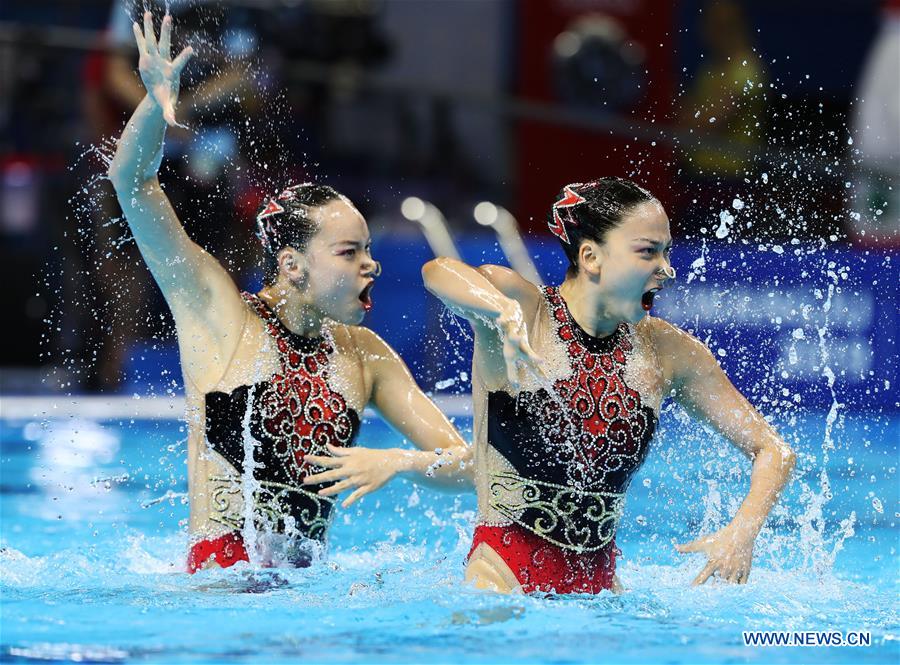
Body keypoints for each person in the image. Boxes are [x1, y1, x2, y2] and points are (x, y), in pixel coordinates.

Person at [108, 12, 471, 573]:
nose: (371, 266)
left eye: (368, 250)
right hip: (218, 598)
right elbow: (132, 184)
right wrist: (155, 106)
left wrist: (400, 462)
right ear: (293, 266)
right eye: (349, 253)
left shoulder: (365, 357)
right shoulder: (218, 314)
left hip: (305, 598)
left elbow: (470, 466)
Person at [422, 177, 796, 594]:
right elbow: (438, 271)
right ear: (590, 257)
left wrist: (741, 533)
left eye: (667, 252)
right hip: (501, 575)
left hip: (602, 589)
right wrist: (502, 311)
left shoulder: (667, 351)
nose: (667, 269)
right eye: (647, 252)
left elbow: (773, 451)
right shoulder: (528, 314)